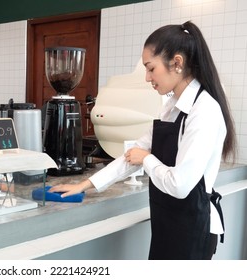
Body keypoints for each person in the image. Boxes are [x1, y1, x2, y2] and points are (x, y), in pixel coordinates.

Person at [49, 21, 236, 260]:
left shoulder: (205, 111)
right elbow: (133, 154)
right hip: (168, 224)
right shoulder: (171, 108)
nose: (147, 78)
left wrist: (147, 159)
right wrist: (84, 185)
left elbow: (179, 185)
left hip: (193, 230)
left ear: (177, 63)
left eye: (151, 68)